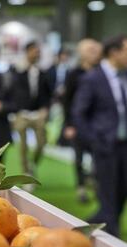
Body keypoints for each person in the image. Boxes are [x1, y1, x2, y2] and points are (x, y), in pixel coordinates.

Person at [73, 35, 127, 237]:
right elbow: (79, 113)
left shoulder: (123, 76)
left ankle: (102, 222)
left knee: (121, 190)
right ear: (114, 52)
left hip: (124, 145)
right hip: (105, 145)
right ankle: (111, 237)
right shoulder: (92, 78)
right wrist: (94, 141)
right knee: (108, 191)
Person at [62, 39, 102, 203]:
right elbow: (67, 100)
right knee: (79, 158)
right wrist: (69, 124)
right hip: (78, 123)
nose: (94, 53)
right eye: (90, 50)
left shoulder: (101, 72)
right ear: (82, 53)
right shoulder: (74, 74)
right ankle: (81, 189)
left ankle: (95, 183)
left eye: (95, 49)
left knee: (98, 158)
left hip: (97, 124)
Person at [11, 41, 52, 175]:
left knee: (41, 143)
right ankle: (26, 172)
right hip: (21, 113)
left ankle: (33, 163)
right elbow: (12, 90)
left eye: (38, 51)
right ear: (27, 52)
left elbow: (48, 93)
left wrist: (46, 109)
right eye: (35, 51)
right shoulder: (17, 70)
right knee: (23, 146)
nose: (37, 54)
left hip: (38, 113)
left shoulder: (42, 72)